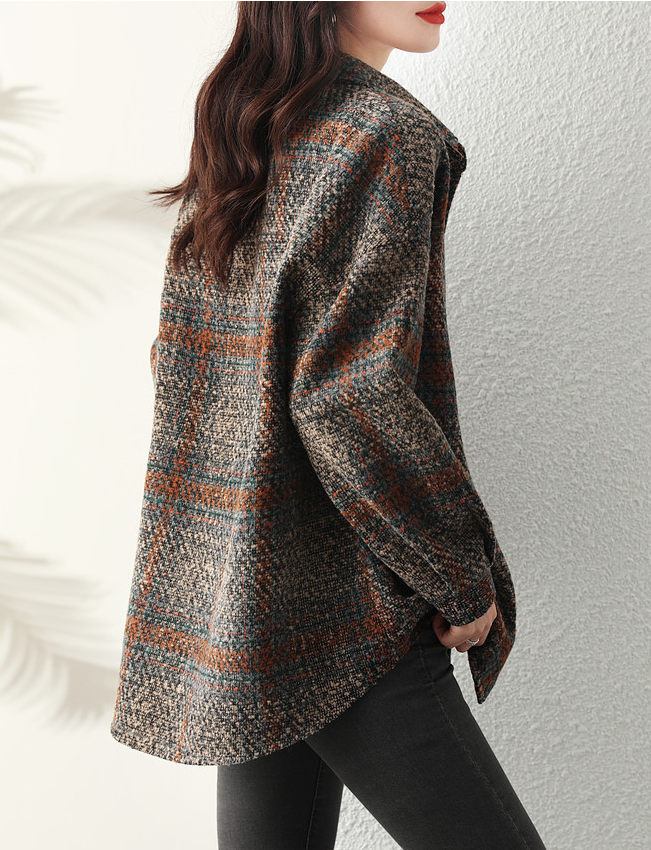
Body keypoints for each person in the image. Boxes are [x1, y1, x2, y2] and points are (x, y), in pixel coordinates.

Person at [110, 2, 546, 848]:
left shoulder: (253, 118)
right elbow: (348, 397)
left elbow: (179, 360)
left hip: (248, 590)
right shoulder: (385, 132)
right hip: (348, 607)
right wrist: (459, 573)